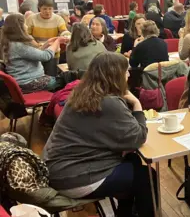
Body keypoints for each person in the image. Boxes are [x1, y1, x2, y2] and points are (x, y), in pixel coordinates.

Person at [42, 52, 156, 217]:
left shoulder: (81, 93)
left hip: (57, 169)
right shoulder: (108, 102)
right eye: (125, 71)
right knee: (147, 177)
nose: (129, 74)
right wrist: (136, 103)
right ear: (115, 75)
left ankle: (125, 213)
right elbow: (137, 137)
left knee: (133, 161)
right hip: (75, 177)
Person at [1, 14, 64, 93]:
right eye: (24, 24)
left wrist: (47, 43)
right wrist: (57, 42)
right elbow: (46, 56)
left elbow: (32, 53)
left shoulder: (10, 42)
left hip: (23, 82)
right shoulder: (19, 46)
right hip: (29, 83)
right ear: (19, 27)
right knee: (66, 79)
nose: (26, 26)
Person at [26, 0, 69, 76]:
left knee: (52, 76)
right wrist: (37, 45)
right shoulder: (31, 19)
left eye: (50, 9)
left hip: (53, 53)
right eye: (45, 9)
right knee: (38, 75)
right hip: (36, 52)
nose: (48, 11)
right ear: (39, 8)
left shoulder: (58, 19)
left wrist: (66, 35)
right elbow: (27, 35)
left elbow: (64, 31)